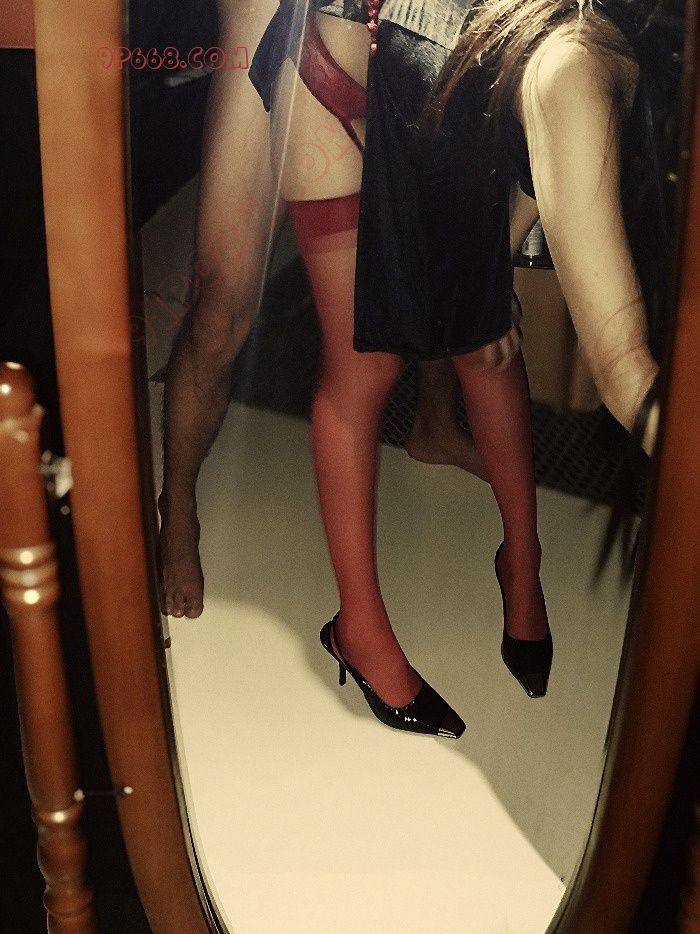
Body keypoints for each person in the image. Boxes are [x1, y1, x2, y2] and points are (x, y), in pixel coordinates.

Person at [161, 0, 663, 736]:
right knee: (245, 320)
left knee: (485, 337)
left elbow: (544, 134)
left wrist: (489, 271)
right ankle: (186, 514)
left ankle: (520, 562)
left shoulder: (573, 49)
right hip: (319, 41)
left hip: (446, 72)